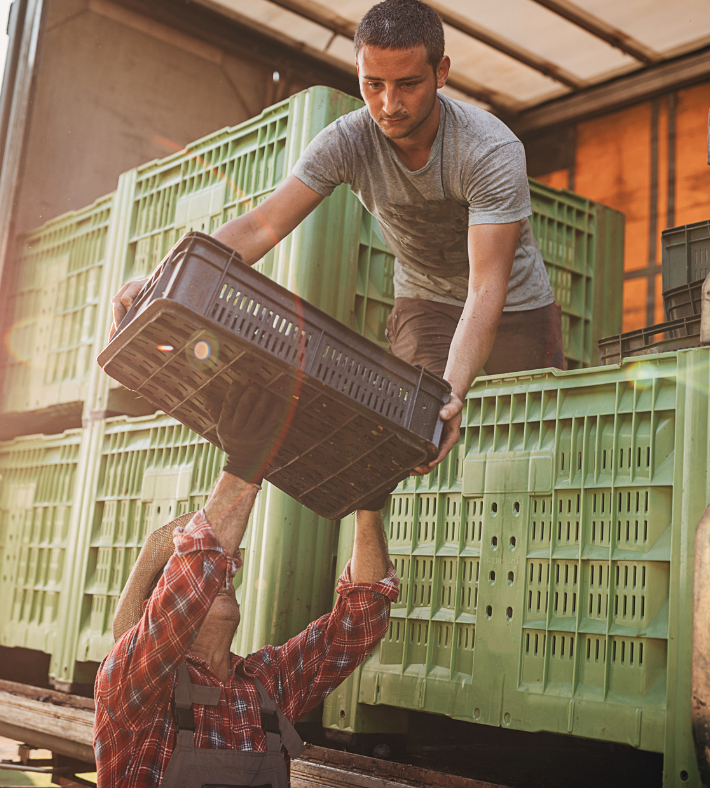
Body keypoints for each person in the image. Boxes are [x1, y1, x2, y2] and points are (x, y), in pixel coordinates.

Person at [110, 0, 561, 528]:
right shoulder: (348, 140)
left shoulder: (489, 150)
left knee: (540, 436)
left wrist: (455, 391)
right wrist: (165, 277)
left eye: (408, 84)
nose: (389, 104)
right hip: (426, 299)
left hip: (517, 306)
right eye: (373, 85)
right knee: (409, 433)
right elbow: (262, 226)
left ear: (441, 73)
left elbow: (487, 288)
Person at [94, 382, 399, 788]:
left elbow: (358, 623)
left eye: (227, 570)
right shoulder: (136, 683)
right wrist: (243, 466)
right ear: (154, 602)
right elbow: (184, 593)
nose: (224, 574)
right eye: (210, 571)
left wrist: (369, 504)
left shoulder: (266, 683)